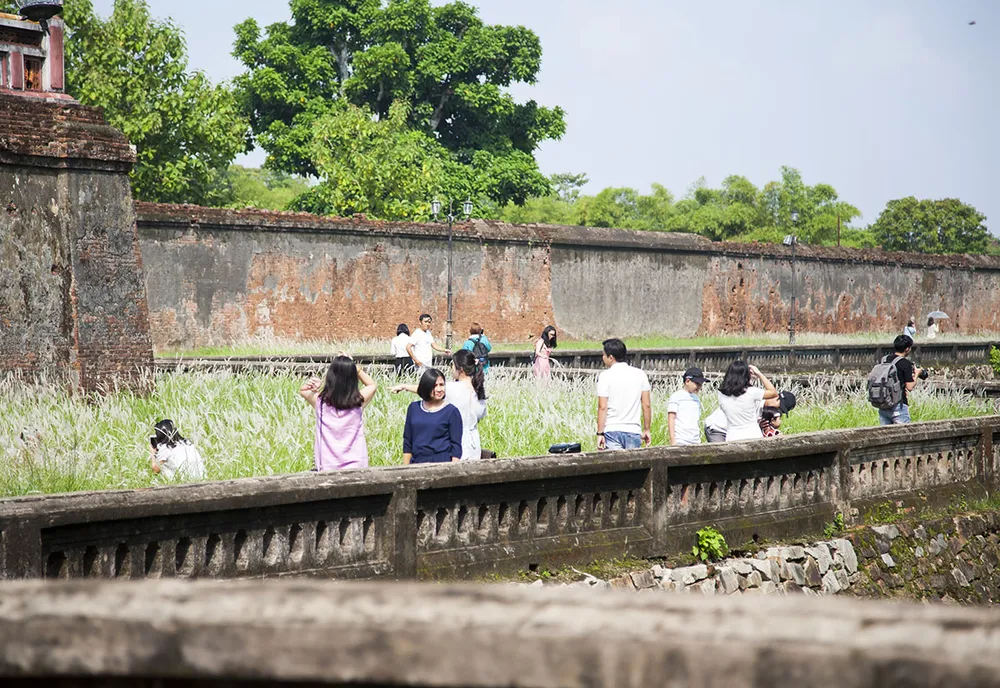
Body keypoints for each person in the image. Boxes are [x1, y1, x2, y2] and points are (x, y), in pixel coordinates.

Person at [393, 350, 487, 461]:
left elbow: (428, 390)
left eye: (452, 364)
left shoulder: (453, 388)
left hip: (458, 442)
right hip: (474, 444)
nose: (451, 368)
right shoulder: (480, 390)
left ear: (460, 369)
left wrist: (405, 387)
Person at [299, 354, 378, 471]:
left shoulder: (320, 403)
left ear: (330, 377)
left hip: (327, 467)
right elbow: (372, 385)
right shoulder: (358, 402)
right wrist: (355, 368)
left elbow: (303, 390)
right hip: (357, 466)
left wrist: (317, 384)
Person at [596, 338, 651, 450]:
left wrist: (600, 433)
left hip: (612, 429)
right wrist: (646, 429)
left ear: (611, 357)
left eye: (604, 355)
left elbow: (603, 407)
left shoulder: (605, 376)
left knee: (615, 466)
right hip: (633, 430)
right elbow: (646, 405)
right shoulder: (640, 374)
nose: (603, 358)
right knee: (633, 467)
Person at [402, 368, 463, 464]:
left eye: (441, 385)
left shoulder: (451, 411)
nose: (439, 389)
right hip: (417, 462)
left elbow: (456, 447)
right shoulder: (414, 408)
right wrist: (405, 468)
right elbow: (407, 441)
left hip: (441, 463)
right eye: (434, 386)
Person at [716, 360, 778, 441]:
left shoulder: (721, 394)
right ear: (746, 376)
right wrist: (759, 374)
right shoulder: (751, 392)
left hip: (732, 437)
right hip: (753, 435)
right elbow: (773, 392)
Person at [877, 334, 924, 425]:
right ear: (907, 349)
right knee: (904, 435)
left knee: (886, 436)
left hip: (883, 404)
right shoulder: (905, 363)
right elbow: (909, 387)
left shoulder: (885, 359)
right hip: (898, 405)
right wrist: (917, 373)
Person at [668, 367, 706, 446]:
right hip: (680, 439)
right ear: (687, 381)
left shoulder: (696, 399)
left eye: (701, 384)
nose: (699, 387)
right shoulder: (676, 396)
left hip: (695, 440)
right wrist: (672, 439)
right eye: (697, 384)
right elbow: (671, 418)